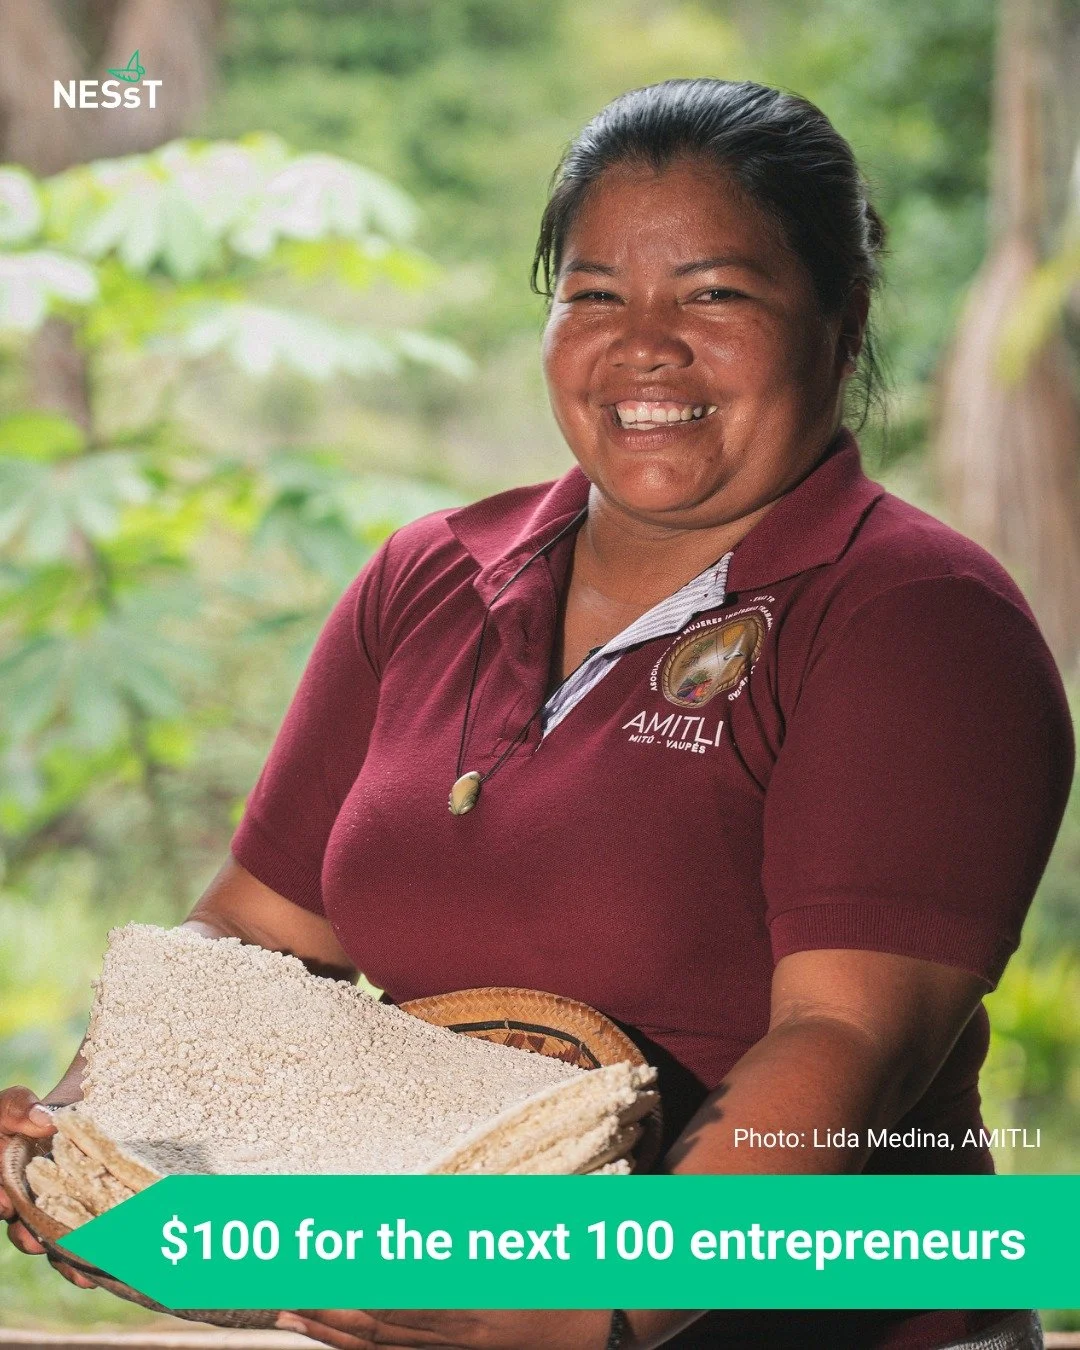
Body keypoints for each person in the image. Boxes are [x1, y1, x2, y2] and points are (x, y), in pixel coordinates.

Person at [2, 78, 1073, 1350]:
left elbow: (847, 1046)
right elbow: (254, 935)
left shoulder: (918, 619)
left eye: (716, 294)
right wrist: (102, 1145)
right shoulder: (428, 577)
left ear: (842, 323)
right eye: (594, 294)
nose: (646, 346)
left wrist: (586, 1312)